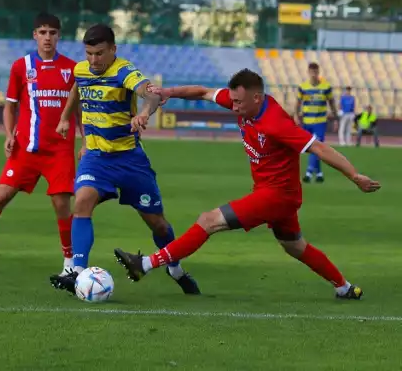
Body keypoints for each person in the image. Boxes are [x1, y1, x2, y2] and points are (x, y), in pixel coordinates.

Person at [115, 69, 380, 300]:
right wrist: (169, 92)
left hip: (276, 195)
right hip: (278, 194)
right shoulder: (241, 102)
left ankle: (146, 263)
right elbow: (204, 92)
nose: (234, 106)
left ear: (257, 97)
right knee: (295, 246)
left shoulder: (275, 122)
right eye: (233, 100)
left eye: (239, 101)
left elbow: (319, 148)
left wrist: (354, 175)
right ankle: (344, 287)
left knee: (208, 220)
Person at [49, 23, 199, 296]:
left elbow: (150, 93)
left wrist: (143, 114)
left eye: (100, 53)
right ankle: (78, 273)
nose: (94, 60)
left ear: (113, 50)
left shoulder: (123, 71)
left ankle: (175, 268)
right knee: (81, 201)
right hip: (96, 157)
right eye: (89, 53)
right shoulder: (81, 70)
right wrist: (64, 118)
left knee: (157, 223)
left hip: (130, 160)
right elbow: (76, 90)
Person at [0, 13, 83, 276]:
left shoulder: (72, 69)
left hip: (59, 150)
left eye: (52, 33)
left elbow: (79, 110)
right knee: (0, 197)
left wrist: (86, 140)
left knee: (61, 204)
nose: (47, 37)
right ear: (35, 35)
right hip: (26, 149)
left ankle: (69, 265)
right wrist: (9, 134)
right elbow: (10, 106)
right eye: (43, 32)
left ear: (59, 36)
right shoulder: (21, 67)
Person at [294, 63, 338, 183]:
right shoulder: (303, 87)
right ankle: (319, 173)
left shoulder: (326, 87)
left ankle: (308, 172)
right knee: (310, 148)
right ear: (308, 72)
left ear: (318, 72)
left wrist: (335, 118)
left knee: (317, 147)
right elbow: (298, 102)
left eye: (315, 72)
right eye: (311, 72)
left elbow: (332, 102)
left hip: (320, 122)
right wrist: (296, 116)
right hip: (307, 121)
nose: (314, 74)